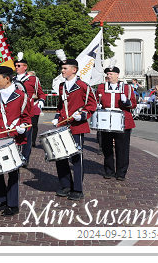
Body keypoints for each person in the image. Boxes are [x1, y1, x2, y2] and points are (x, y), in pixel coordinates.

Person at [0, 64, 31, 216]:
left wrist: (23, 127)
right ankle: (0, 200)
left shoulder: (22, 96)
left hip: (15, 137)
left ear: (7, 79)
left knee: (12, 171)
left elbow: (26, 118)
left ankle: (12, 204)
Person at [51, 50, 97, 201]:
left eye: (65, 69)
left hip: (77, 126)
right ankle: (65, 185)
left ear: (74, 70)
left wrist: (83, 114)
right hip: (63, 126)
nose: (62, 71)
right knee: (60, 157)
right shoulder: (61, 86)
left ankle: (77, 189)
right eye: (62, 68)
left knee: (76, 158)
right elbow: (60, 106)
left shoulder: (83, 86)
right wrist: (57, 117)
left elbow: (92, 104)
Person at [95, 66, 136, 181]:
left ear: (117, 75)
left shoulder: (127, 88)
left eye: (111, 74)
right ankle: (109, 171)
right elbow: (97, 101)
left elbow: (133, 104)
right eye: (107, 74)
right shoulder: (101, 87)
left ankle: (121, 172)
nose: (108, 76)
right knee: (106, 147)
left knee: (122, 148)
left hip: (123, 121)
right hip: (106, 121)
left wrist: (127, 102)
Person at [13, 52, 46, 166]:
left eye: (18, 65)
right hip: (15, 111)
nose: (16, 67)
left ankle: (25, 158)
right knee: (15, 134)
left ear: (25, 67)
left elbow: (41, 94)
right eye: (15, 65)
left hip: (29, 110)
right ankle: (16, 156)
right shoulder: (12, 79)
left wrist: (41, 101)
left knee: (27, 135)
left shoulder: (33, 79)